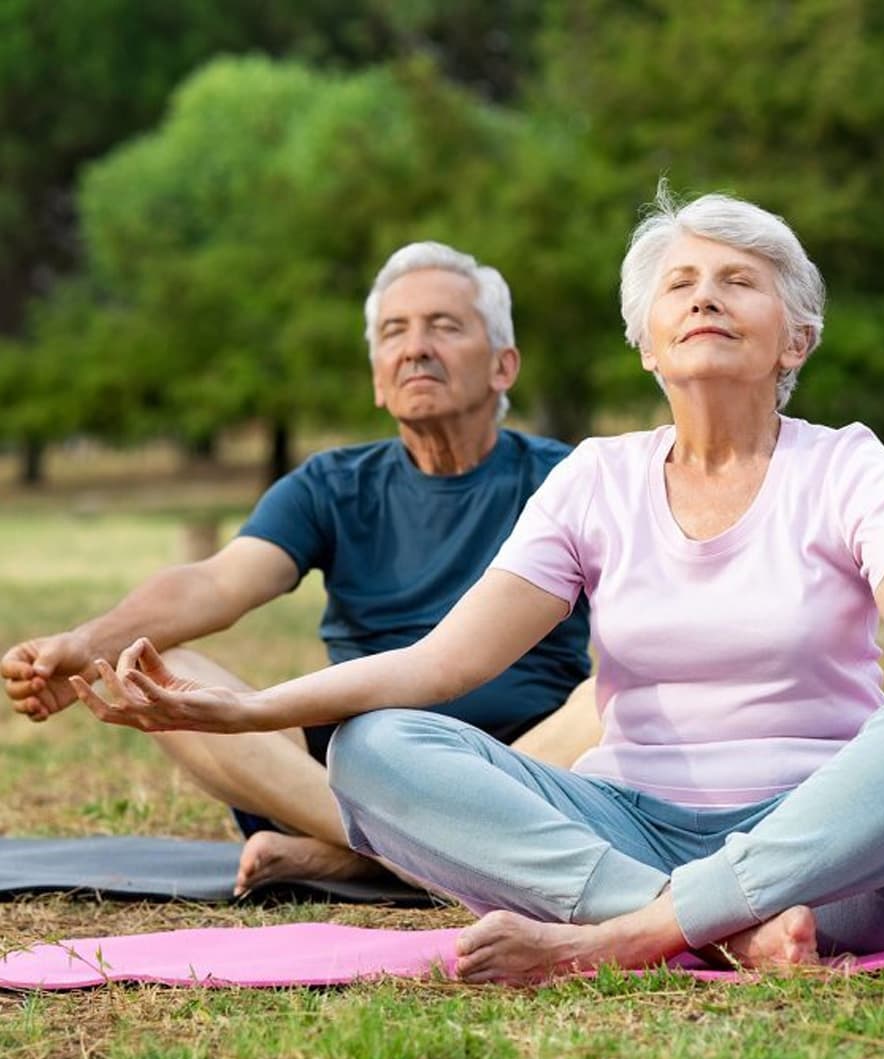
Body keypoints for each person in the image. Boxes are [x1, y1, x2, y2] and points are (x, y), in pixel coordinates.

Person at [73, 189, 884, 983]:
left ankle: (624, 937)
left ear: (793, 332)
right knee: (378, 745)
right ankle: (700, 924)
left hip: (835, 853)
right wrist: (251, 706)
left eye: (740, 282)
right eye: (681, 282)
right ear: (646, 338)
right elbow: (441, 664)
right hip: (633, 831)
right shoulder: (597, 479)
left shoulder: (848, 462)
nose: (706, 295)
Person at [3, 241, 596, 895]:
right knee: (153, 667)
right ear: (377, 376)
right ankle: (418, 852)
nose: (415, 347)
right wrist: (87, 644)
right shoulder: (330, 484)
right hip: (354, 770)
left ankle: (361, 856)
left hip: (525, 761)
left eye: (445, 326)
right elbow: (217, 582)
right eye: (394, 332)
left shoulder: (571, 478)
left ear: (503, 366)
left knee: (612, 698)